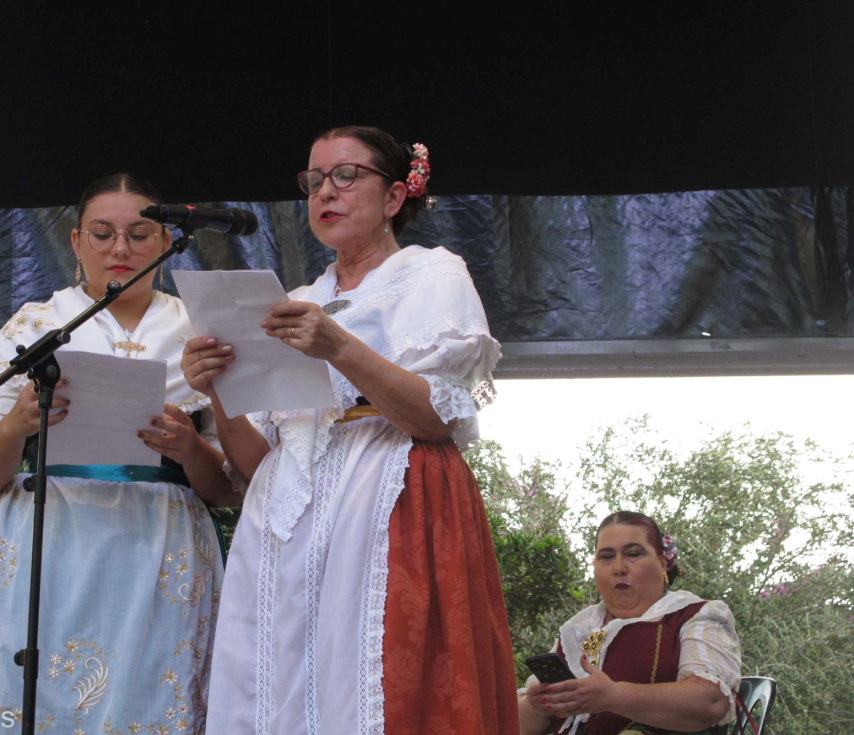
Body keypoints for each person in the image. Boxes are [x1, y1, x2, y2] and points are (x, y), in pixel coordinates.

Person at [184, 125, 519, 734]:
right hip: (286, 521)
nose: (324, 192)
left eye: (345, 176)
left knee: (377, 686)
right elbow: (256, 464)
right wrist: (217, 389)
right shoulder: (297, 297)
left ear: (394, 196)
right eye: (313, 181)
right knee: (274, 689)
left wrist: (339, 346)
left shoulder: (431, 274)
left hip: (387, 499)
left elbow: (436, 417)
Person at [0, 173, 236, 733]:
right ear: (76, 242)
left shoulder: (198, 332)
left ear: (166, 241)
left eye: (139, 235)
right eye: (102, 234)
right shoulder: (36, 325)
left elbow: (226, 489)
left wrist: (191, 448)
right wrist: (18, 424)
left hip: (160, 549)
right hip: (47, 544)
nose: (120, 248)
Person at [517, 511, 742, 735]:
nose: (619, 568)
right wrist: (537, 707)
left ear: (662, 562)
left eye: (633, 554)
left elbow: (711, 702)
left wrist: (613, 696)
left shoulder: (697, 615)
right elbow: (514, 724)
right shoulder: (579, 629)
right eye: (606, 557)